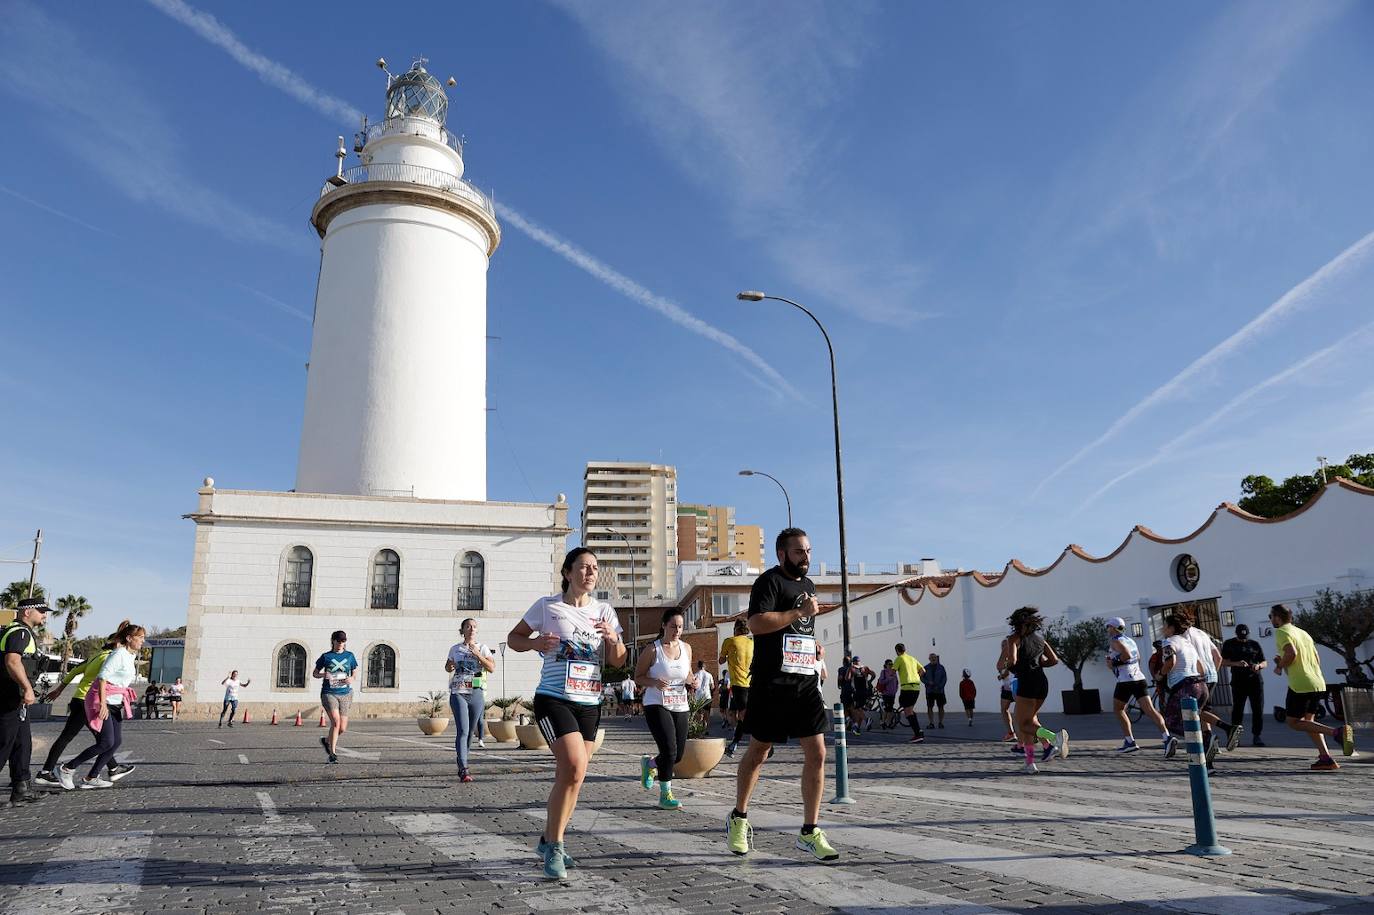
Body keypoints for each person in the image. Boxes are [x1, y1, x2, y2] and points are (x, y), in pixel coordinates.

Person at [508, 547, 626, 879]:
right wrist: (533, 644)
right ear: (567, 572)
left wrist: (614, 639)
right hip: (553, 697)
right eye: (584, 567)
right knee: (573, 766)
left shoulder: (604, 611)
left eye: (595, 568)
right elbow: (514, 637)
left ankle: (549, 839)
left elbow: (618, 660)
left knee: (574, 777)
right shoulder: (548, 606)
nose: (591, 573)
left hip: (590, 702)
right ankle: (556, 847)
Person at [727, 528, 839, 863]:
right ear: (781, 554)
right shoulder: (768, 582)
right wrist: (797, 614)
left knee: (817, 752)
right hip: (771, 682)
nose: (806, 558)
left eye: (808, 551)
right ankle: (739, 817)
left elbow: (799, 628)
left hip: (804, 682)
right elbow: (757, 623)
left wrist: (812, 643)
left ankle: (809, 831)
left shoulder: (809, 586)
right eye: (798, 552)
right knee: (759, 751)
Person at [35, 624, 135, 789]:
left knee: (99, 739)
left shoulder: (96, 656)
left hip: (79, 698)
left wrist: (59, 690)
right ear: (119, 643)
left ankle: (111, 768)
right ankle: (64, 770)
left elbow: (74, 672)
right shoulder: (111, 657)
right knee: (104, 740)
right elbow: (104, 678)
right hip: (92, 700)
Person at [1268, 603, 1354, 770]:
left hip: (1300, 684)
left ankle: (1337, 733)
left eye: (1270, 616)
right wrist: (1286, 663)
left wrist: (1280, 666)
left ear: (1277, 617)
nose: (1270, 619)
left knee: (1293, 722)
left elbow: (1291, 653)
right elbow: (1316, 657)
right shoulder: (1303, 633)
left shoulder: (1281, 631)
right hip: (1317, 681)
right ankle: (1326, 758)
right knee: (1309, 722)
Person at [636, 608, 698, 810]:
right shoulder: (653, 650)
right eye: (673, 626)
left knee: (678, 755)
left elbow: (688, 674)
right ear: (663, 626)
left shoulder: (686, 648)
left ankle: (651, 764)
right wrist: (654, 682)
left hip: (680, 703)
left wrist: (693, 682)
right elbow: (638, 677)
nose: (677, 631)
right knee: (669, 751)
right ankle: (665, 795)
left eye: (680, 627)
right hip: (657, 704)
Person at [1002, 607, 1067, 774]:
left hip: (1026, 682)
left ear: (1016, 623)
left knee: (1022, 723)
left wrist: (1006, 668)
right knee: (1029, 723)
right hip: (1041, 682)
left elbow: (1013, 660)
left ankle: (1054, 738)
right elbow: (1054, 660)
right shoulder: (1040, 639)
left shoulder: (1014, 638)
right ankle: (1030, 764)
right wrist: (1037, 664)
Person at [1, 597, 49, 805]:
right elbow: (12, 661)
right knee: (4, 742)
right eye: (41, 611)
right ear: (27, 612)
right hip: (9, 695)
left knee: (23, 742)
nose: (45, 615)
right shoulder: (20, 632)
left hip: (16, 697)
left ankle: (21, 787)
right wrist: (28, 688)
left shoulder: (14, 630)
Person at [1178, 605, 1241, 762]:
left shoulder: (1184, 636)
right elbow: (1218, 657)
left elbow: (1192, 657)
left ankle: (1227, 728)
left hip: (1198, 676)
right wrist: (1213, 672)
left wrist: (1199, 675)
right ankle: (1210, 742)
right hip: (1212, 675)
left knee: (1195, 711)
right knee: (1203, 710)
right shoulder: (1202, 633)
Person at [1105, 617, 1168, 753]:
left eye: (1108, 627)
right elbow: (1137, 657)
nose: (1107, 630)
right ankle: (1167, 737)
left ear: (1114, 628)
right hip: (1139, 678)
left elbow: (1126, 655)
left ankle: (1129, 741)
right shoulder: (1130, 640)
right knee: (1150, 710)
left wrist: (1113, 663)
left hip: (1125, 680)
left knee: (1118, 709)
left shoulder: (1115, 641)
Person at [446, 618, 496, 782]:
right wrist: (450, 666)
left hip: (476, 692)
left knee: (470, 732)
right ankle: (464, 768)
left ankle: (462, 759)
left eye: (474, 626)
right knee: (463, 730)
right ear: (463, 630)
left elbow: (491, 668)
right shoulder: (455, 648)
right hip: (458, 691)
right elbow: (447, 666)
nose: (472, 629)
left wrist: (478, 655)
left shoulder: (483, 648)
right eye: (468, 626)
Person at [1159, 609, 1206, 761]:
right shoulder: (1188, 643)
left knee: (1170, 721)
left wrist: (1160, 674)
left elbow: (1170, 662)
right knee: (1192, 719)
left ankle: (1204, 741)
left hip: (1184, 687)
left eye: (1164, 626)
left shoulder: (1169, 642)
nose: (1162, 629)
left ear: (1171, 628)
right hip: (1200, 685)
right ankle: (1205, 757)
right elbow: (1202, 668)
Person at [313, 631, 358, 764]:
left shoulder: (349, 656)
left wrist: (351, 679)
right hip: (329, 693)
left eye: (343, 641)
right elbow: (315, 673)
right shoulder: (326, 656)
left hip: (345, 693)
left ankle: (326, 741)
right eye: (338, 641)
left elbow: (354, 672)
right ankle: (332, 754)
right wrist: (323, 675)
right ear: (333, 641)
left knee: (342, 728)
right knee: (336, 723)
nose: (340, 644)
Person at [1221, 623, 1266, 747]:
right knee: (1238, 710)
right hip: (1238, 681)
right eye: (1241, 636)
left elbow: (1264, 661)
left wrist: (1259, 666)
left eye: (1245, 636)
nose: (1243, 638)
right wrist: (1236, 663)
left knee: (1258, 709)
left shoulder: (1254, 644)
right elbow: (1222, 662)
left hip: (1255, 681)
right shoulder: (1229, 644)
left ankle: (1257, 735)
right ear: (1236, 634)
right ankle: (1236, 736)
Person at [720, 619, 754, 756]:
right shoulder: (752, 643)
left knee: (744, 715)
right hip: (751, 683)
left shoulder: (730, 641)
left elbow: (720, 660)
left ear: (736, 629)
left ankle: (764, 741)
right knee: (741, 715)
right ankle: (733, 744)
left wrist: (728, 657)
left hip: (738, 684)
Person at [893, 643, 925, 743]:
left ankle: (917, 734)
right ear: (905, 649)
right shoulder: (912, 658)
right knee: (909, 709)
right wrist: (917, 677)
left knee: (907, 711)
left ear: (897, 651)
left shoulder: (899, 658)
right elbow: (923, 670)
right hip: (916, 687)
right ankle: (919, 730)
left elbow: (892, 672)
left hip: (906, 687)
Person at [923, 653, 948, 729]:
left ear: (937, 658)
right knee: (930, 707)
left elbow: (944, 678)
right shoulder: (925, 668)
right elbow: (921, 677)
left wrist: (940, 686)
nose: (933, 659)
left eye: (934, 657)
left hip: (939, 691)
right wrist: (928, 682)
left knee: (941, 707)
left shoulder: (941, 668)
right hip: (930, 691)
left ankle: (940, 722)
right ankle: (931, 723)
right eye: (932, 657)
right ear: (929, 658)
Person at [876, 659, 899, 728]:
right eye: (889, 664)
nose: (891, 665)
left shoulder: (894, 672)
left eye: (892, 664)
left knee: (890, 709)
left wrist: (896, 690)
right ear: (886, 665)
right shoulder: (883, 672)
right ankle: (883, 722)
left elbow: (897, 682)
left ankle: (887, 723)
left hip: (892, 693)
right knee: (886, 709)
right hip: (886, 693)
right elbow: (881, 681)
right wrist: (889, 678)